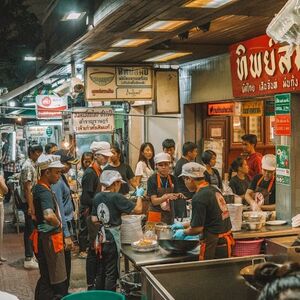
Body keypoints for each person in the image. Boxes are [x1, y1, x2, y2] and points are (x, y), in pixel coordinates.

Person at [91, 170, 143, 291]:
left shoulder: (97, 196)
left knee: (101, 271)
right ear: (115, 183)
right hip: (111, 239)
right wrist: (139, 195)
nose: (120, 186)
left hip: (100, 238)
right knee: (111, 272)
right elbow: (138, 209)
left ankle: (100, 297)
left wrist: (105, 223)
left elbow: (94, 219)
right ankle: (110, 297)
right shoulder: (116, 197)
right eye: (119, 183)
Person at [172, 162, 234, 260]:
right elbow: (207, 219)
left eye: (185, 179)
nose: (185, 183)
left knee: (209, 274)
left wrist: (183, 232)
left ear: (190, 179)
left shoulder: (199, 197)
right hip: (225, 242)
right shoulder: (213, 189)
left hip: (214, 245)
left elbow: (197, 228)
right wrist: (182, 225)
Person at [32, 154, 68, 300]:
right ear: (47, 172)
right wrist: (59, 224)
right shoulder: (44, 191)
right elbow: (48, 215)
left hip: (44, 239)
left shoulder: (39, 188)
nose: (59, 176)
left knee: (46, 276)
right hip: (49, 241)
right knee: (53, 280)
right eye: (57, 172)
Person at [79, 141, 113, 290]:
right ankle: (90, 283)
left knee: (98, 248)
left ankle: (98, 279)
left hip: (97, 213)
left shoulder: (98, 171)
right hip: (91, 215)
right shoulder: (90, 173)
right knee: (93, 250)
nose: (106, 159)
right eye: (104, 156)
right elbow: (85, 199)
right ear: (97, 155)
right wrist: (103, 199)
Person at [52, 149, 79, 289]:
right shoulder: (56, 181)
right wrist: (66, 235)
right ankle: (61, 294)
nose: (70, 167)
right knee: (63, 266)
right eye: (68, 164)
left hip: (67, 223)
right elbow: (59, 210)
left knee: (67, 264)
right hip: (63, 226)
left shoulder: (61, 177)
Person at [19, 143, 43, 270]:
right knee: (29, 230)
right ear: (32, 153)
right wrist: (30, 206)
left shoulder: (33, 164)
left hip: (31, 201)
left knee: (31, 229)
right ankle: (28, 257)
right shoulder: (28, 166)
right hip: (29, 201)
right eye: (37, 152)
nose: (39, 155)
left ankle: (31, 255)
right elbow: (27, 188)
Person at [147, 152, 184, 225]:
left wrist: (178, 195)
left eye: (166, 164)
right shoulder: (152, 179)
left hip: (169, 214)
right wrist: (166, 197)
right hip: (155, 213)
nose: (164, 167)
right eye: (161, 165)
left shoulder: (173, 178)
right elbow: (154, 201)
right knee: (155, 234)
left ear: (169, 165)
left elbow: (175, 194)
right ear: (156, 166)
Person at [174, 142, 198, 218]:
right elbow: (189, 182)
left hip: (185, 196)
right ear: (189, 153)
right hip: (184, 197)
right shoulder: (184, 165)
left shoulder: (183, 162)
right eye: (195, 151)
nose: (196, 154)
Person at [2, 132, 21, 203]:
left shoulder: (16, 146)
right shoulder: (5, 146)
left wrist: (11, 161)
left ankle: (16, 199)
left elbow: (19, 157)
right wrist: (4, 162)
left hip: (15, 168)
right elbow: (3, 156)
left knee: (16, 185)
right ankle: (7, 198)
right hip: (7, 169)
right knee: (7, 184)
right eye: (10, 138)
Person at [0, 174, 8, 265]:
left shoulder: (1, 176)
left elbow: (6, 191)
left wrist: (1, 182)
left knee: (0, 231)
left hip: (0, 203)